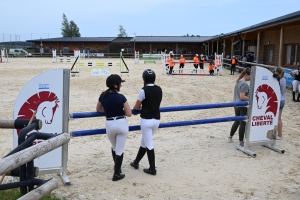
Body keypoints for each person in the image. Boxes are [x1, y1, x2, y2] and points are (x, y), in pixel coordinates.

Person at [96, 74, 132, 181]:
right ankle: (116, 174)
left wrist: (108, 111)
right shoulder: (121, 97)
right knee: (119, 150)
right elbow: (129, 113)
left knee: (114, 147)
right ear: (116, 85)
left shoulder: (103, 96)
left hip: (110, 123)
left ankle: (117, 168)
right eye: (120, 83)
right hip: (121, 123)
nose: (121, 85)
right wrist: (120, 111)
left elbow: (98, 109)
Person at [130, 69, 162, 176]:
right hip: (156, 120)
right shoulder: (159, 89)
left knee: (148, 144)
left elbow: (136, 107)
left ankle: (152, 169)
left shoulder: (143, 90)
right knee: (144, 142)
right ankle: (136, 162)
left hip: (146, 120)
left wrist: (141, 106)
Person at [227, 68, 251, 147]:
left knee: (236, 121)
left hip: (236, 104)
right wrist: (251, 98)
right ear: (246, 75)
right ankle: (241, 141)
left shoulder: (238, 81)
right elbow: (242, 97)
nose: (250, 78)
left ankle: (230, 137)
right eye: (250, 76)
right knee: (242, 123)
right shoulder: (244, 84)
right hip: (242, 105)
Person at [274, 67, 286, 140]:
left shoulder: (279, 80)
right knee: (279, 118)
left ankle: (279, 135)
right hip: (283, 99)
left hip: (279, 99)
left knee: (277, 119)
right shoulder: (284, 79)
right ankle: (280, 134)